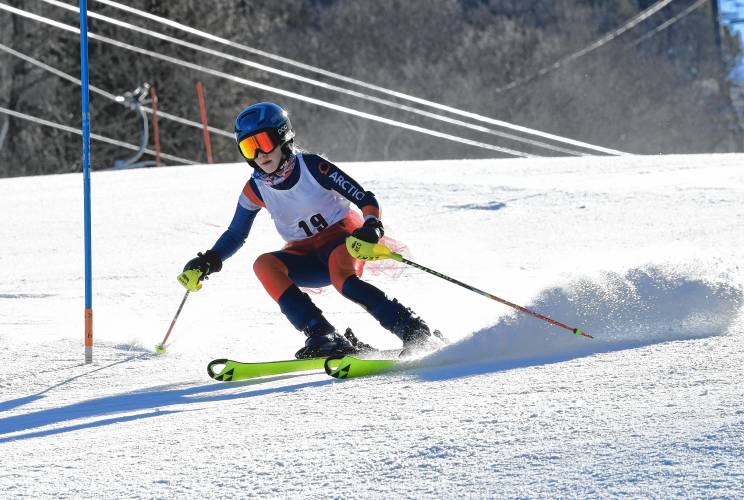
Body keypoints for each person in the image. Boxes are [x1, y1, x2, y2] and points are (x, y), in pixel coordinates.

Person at [178, 102, 436, 359]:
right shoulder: (255, 189)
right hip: (306, 255)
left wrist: (372, 226)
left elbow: (366, 199)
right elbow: (236, 234)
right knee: (264, 265)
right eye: (248, 147)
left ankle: (414, 330)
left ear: (282, 137)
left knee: (341, 277)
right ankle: (323, 334)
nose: (259, 154)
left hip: (344, 240)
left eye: (264, 142)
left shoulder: (313, 167)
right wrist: (209, 261)